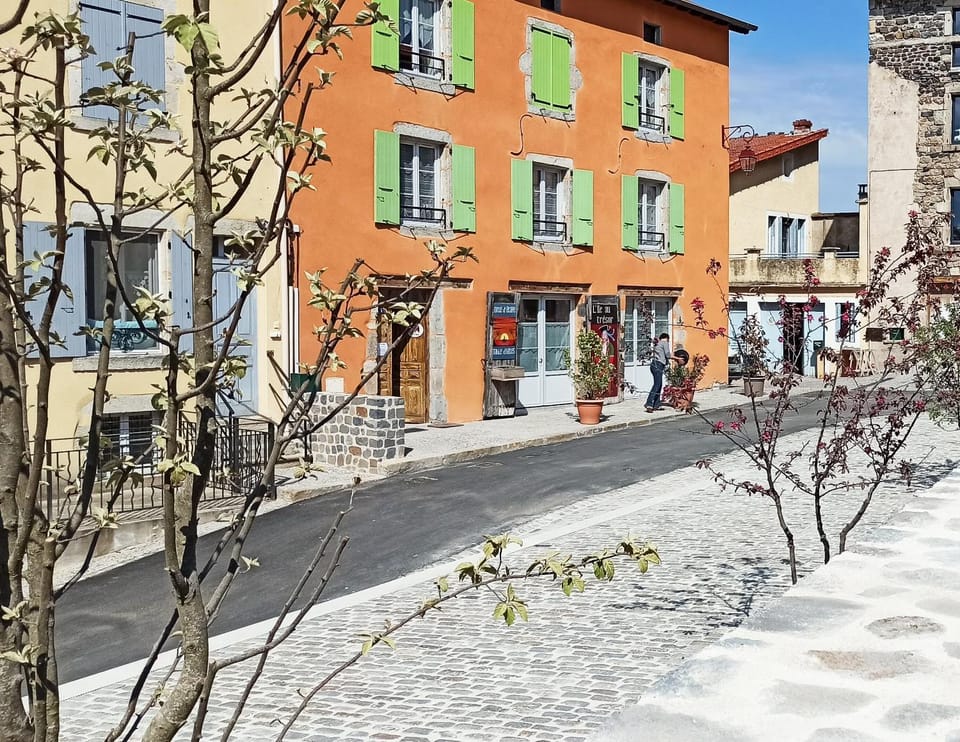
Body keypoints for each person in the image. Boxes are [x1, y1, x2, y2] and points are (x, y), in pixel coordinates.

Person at [645, 333, 679, 412]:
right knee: (657, 385)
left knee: (659, 384)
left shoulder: (658, 344)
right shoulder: (664, 343)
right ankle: (649, 403)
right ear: (667, 338)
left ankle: (656, 404)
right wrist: (677, 358)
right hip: (658, 365)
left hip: (653, 365)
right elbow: (667, 355)